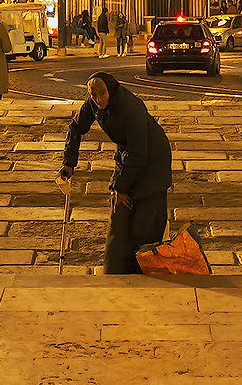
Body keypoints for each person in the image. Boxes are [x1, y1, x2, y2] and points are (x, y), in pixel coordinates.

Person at [58, 71, 173, 275]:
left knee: (144, 215)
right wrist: (69, 162)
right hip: (128, 155)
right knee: (120, 212)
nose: (98, 99)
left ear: (111, 90)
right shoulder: (94, 103)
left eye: (102, 93)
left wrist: (121, 187)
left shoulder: (131, 109)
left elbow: (140, 154)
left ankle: (141, 271)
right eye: (94, 95)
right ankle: (117, 270)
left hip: (153, 159)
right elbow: (76, 128)